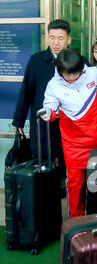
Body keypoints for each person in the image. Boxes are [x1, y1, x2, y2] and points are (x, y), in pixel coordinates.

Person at [39, 48, 97, 219]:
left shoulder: (93, 74)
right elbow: (50, 107)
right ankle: (76, 221)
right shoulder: (54, 85)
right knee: (75, 184)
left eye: (75, 73)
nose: (71, 77)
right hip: (73, 143)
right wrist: (48, 114)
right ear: (60, 71)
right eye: (67, 74)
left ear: (82, 69)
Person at [12, 19, 89, 162]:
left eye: (60, 38)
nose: (55, 43)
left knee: (71, 163)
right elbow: (26, 91)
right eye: (52, 38)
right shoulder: (36, 60)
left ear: (68, 39)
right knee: (44, 164)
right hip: (44, 124)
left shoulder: (81, 62)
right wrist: (18, 121)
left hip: (72, 123)